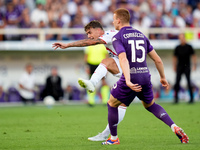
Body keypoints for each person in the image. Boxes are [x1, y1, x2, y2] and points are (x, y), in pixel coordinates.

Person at [101, 8, 189, 145]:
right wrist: (163, 77)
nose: (112, 22)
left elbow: (123, 59)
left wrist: (128, 80)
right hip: (145, 76)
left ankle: (113, 138)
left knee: (112, 103)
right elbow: (157, 60)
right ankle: (174, 126)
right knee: (150, 105)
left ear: (119, 20)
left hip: (131, 77)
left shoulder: (117, 37)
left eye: (113, 19)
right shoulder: (141, 35)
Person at [52, 20, 127, 141]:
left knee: (105, 63)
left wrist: (68, 45)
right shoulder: (113, 35)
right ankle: (107, 134)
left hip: (131, 71)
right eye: (87, 34)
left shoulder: (107, 36)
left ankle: (92, 83)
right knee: (125, 104)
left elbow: (90, 42)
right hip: (131, 70)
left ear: (98, 30)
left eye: (89, 32)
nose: (89, 36)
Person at [173, 33, 197, 104]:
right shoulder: (177, 47)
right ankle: (176, 99)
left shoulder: (189, 47)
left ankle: (192, 99)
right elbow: (174, 57)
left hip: (187, 66)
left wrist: (195, 65)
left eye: (182, 37)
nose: (181, 39)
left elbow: (194, 56)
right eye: (180, 38)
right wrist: (174, 66)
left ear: (184, 38)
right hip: (179, 66)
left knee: (189, 82)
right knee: (177, 82)